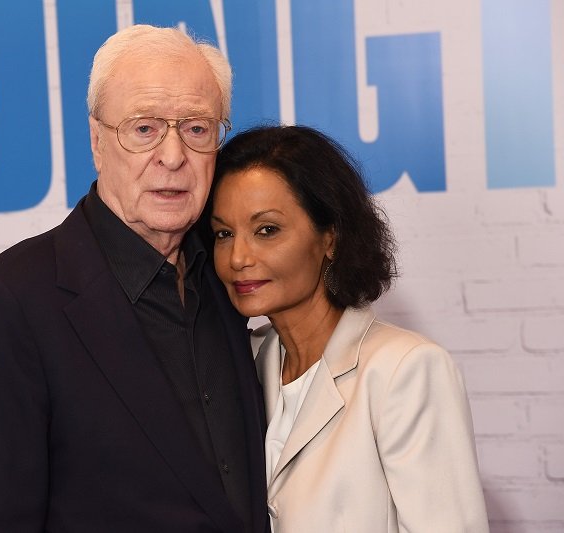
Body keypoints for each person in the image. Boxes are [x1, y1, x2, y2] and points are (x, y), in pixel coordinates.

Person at [0, 25, 269, 533]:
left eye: (197, 129)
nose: (173, 155)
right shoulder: (13, 301)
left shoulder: (233, 276)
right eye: (144, 128)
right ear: (97, 142)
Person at [207, 125, 489, 532]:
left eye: (267, 230)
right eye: (223, 233)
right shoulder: (238, 364)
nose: (238, 257)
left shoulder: (403, 371)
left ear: (331, 238)